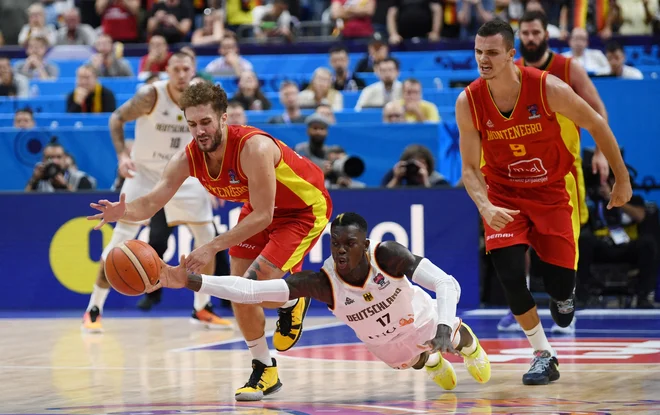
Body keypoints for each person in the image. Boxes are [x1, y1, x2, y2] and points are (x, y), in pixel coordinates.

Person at [87, 81, 333, 402]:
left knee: (254, 286)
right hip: (259, 206)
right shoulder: (187, 157)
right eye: (191, 124)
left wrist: (211, 246)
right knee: (238, 291)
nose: (199, 131)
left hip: (302, 209)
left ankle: (294, 297)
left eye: (205, 122)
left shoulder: (252, 147)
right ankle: (264, 366)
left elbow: (263, 216)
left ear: (223, 118)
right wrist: (125, 210)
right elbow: (151, 202)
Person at [456, 19, 632, 385]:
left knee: (559, 287)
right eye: (478, 52)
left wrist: (622, 177)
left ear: (510, 55)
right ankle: (543, 354)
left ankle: (564, 297)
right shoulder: (469, 100)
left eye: (491, 53)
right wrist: (486, 207)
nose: (483, 60)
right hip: (504, 194)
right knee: (509, 275)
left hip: (551, 190)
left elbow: (598, 123)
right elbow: (470, 170)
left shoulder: (547, 87)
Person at [151, 212, 492, 390]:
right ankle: (429, 364)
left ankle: (470, 345)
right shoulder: (322, 283)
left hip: (420, 320)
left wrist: (446, 326)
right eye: (335, 243)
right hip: (383, 344)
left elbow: (446, 283)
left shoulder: (387, 255)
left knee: (445, 336)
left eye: (350, 242)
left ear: (366, 242)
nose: (341, 249)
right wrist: (192, 280)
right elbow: (250, 291)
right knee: (412, 361)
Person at [82, 51, 232, 333]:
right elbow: (116, 119)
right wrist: (121, 157)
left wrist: (213, 178)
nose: (181, 73)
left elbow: (215, 137)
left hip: (185, 174)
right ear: (167, 70)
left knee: (207, 239)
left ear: (193, 70)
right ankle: (94, 308)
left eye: (186, 68)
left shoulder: (202, 97)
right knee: (119, 241)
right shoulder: (151, 95)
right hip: (145, 174)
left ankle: (202, 308)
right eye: (175, 68)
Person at [498, 10, 611, 334]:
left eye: (536, 33)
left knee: (564, 239)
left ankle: (565, 298)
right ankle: (521, 304)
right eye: (526, 33)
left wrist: (601, 152)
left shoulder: (566, 67)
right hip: (522, 171)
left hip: (563, 171)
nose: (531, 38)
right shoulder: (513, 70)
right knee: (519, 239)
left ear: (546, 34)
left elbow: (597, 110)